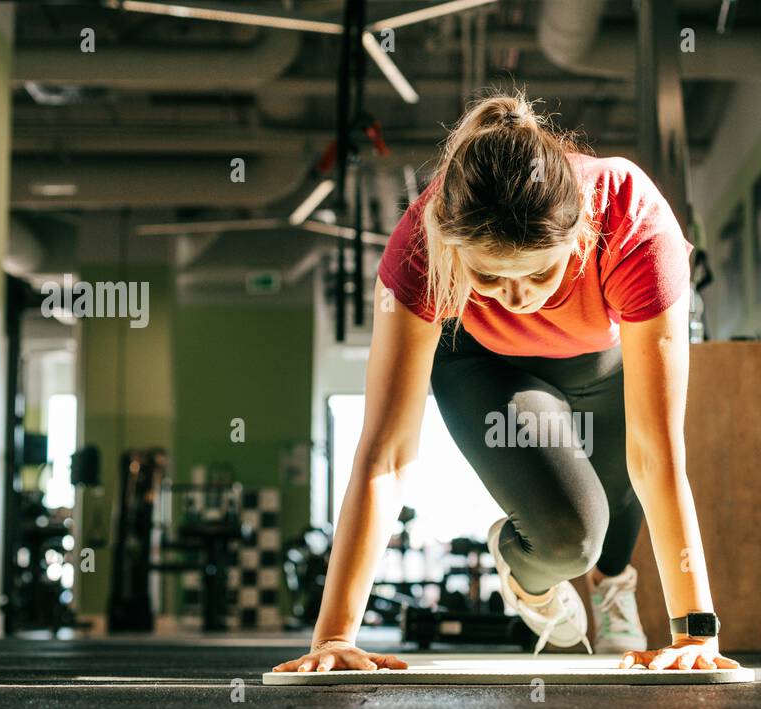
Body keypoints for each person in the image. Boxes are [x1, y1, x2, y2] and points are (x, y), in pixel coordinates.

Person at [273, 92, 735, 674]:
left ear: (581, 234)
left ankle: (613, 586)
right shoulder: (420, 244)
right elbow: (386, 453)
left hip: (603, 365)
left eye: (539, 272)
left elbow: (657, 452)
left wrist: (695, 633)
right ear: (451, 249)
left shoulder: (632, 217)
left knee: (614, 537)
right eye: (488, 276)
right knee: (570, 539)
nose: (517, 298)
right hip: (485, 364)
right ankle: (532, 581)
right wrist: (333, 637)